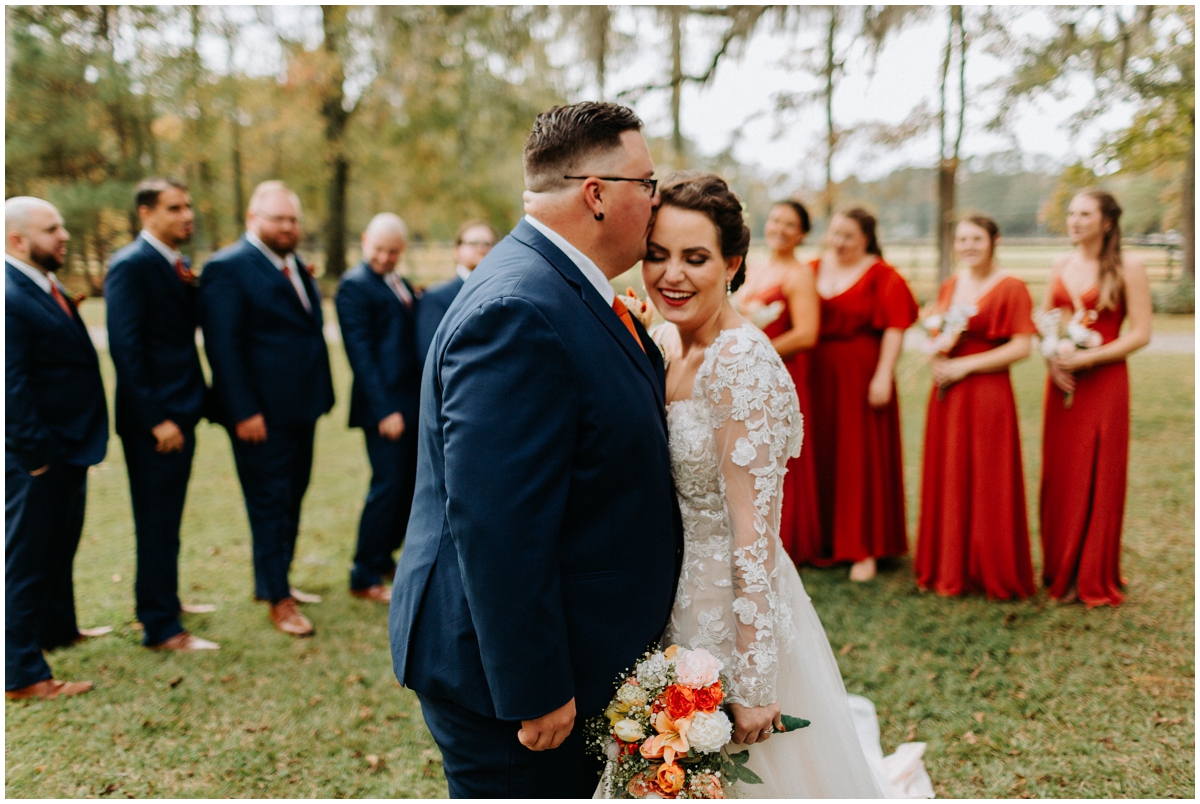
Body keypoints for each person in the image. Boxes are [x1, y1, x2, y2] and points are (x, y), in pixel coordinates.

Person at [389, 102, 682, 798]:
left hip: (579, 652)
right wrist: (535, 684)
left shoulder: (563, 286)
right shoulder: (518, 309)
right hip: (514, 693)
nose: (656, 200)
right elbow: (496, 521)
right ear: (597, 194)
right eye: (648, 183)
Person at [643, 172, 929, 798]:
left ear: (733, 263)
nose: (672, 275)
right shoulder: (662, 340)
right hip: (662, 599)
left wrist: (754, 681)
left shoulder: (740, 363)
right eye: (657, 255)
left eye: (695, 258)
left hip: (726, 608)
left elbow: (755, 537)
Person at [200, 181, 335, 637]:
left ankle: (276, 582)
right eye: (278, 219)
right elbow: (223, 347)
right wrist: (242, 411)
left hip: (301, 408)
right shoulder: (227, 268)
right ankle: (278, 600)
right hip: (259, 416)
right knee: (269, 504)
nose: (287, 227)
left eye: (293, 219)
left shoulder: (295, 266)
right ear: (252, 220)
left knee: (292, 496)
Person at [105, 178, 219, 651]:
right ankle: (160, 626)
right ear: (146, 214)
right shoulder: (130, 266)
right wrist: (156, 419)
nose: (187, 215)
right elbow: (126, 349)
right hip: (157, 423)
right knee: (155, 521)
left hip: (182, 410)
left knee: (168, 519)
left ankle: (163, 600)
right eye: (175, 208)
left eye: (189, 206)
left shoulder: (177, 264)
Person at [5, 196, 108, 699]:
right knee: (24, 559)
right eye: (52, 229)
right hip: (37, 456)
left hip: (70, 446)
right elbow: (11, 386)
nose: (64, 235)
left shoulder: (39, 283)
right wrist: (36, 456)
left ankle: (58, 630)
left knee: (57, 547)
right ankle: (21, 674)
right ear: (17, 240)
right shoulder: (7, 293)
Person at [915, 216, 1037, 600]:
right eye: (962, 239)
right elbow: (937, 330)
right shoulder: (952, 284)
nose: (968, 245)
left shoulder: (1011, 286)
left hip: (987, 393)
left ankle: (990, 566)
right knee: (951, 470)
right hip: (948, 395)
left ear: (994, 241)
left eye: (976, 238)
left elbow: (1021, 347)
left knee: (988, 475)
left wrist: (963, 366)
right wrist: (936, 352)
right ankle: (950, 563)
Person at [1039, 189, 1151, 607]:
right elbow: (1048, 321)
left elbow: (1141, 333)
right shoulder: (1059, 264)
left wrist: (1090, 358)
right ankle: (1059, 568)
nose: (1074, 220)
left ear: (1106, 222)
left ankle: (1088, 575)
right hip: (1063, 382)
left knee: (1097, 472)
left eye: (1085, 214)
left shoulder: (1129, 266)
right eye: (1070, 213)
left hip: (1104, 381)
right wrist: (1053, 359)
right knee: (1063, 472)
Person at [808, 208, 918, 582]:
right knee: (821, 452)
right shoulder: (811, 268)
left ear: (866, 239)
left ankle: (863, 548)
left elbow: (895, 327)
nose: (839, 242)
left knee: (859, 457)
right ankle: (824, 539)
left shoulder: (882, 274)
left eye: (848, 236)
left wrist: (883, 374)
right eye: (835, 233)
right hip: (817, 374)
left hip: (861, 373)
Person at [335, 213, 421, 603]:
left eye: (393, 251)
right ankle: (363, 572)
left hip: (408, 402)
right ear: (365, 240)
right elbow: (361, 354)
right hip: (383, 407)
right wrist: (385, 409)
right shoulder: (354, 286)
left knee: (404, 486)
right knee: (386, 487)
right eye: (379, 249)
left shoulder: (397, 282)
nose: (385, 257)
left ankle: (385, 555)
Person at [733, 200, 822, 566]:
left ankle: (790, 537)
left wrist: (760, 349)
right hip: (748, 374)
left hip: (783, 374)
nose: (779, 229)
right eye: (775, 220)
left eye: (790, 224)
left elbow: (807, 334)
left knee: (781, 453)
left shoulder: (799, 275)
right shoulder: (755, 268)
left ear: (801, 234)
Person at [414, 219, 497, 365]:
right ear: (457, 251)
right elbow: (430, 358)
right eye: (473, 243)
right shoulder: (435, 298)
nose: (481, 248)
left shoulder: (502, 292)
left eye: (487, 244)